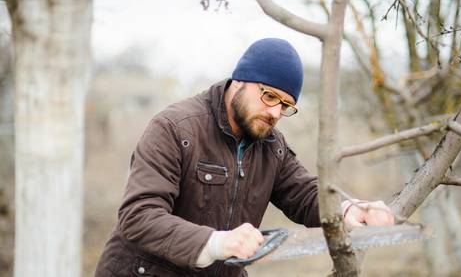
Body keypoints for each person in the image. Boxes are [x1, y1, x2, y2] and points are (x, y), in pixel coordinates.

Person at [95, 38, 394, 277]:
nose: (276, 112)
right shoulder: (176, 128)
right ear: (239, 81)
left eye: (286, 105)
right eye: (269, 96)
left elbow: (303, 193)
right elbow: (139, 216)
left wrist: (347, 208)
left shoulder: (271, 145)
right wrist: (216, 243)